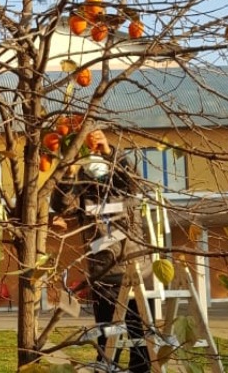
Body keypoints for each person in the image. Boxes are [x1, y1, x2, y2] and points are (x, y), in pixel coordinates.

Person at [50, 129, 152, 373]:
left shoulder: (121, 182)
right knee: (108, 337)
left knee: (140, 339)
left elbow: (133, 181)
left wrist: (109, 152)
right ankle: (108, 368)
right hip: (104, 274)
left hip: (135, 270)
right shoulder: (84, 186)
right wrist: (69, 173)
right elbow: (59, 204)